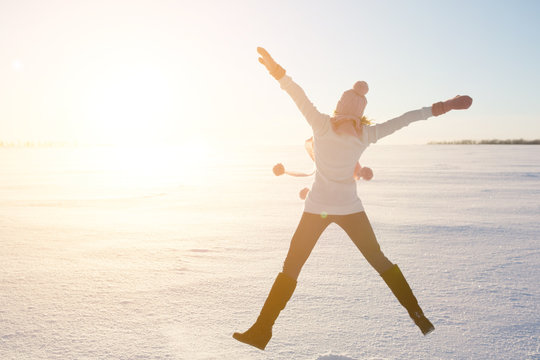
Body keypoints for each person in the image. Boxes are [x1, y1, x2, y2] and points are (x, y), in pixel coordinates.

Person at [233, 47, 473, 351]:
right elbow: (406, 119)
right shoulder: (365, 135)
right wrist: (443, 106)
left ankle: (261, 331)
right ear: (360, 113)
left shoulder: (321, 125)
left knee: (291, 268)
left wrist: (276, 70)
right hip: (350, 210)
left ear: (338, 107)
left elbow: (297, 95)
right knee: (380, 261)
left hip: (317, 210)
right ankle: (419, 317)